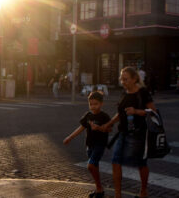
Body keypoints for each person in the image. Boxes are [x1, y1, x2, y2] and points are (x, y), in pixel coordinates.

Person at [99, 66, 156, 198]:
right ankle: (117, 194)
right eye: (121, 79)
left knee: (141, 163)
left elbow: (153, 112)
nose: (122, 82)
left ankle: (143, 192)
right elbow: (120, 114)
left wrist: (136, 111)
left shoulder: (142, 92)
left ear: (134, 78)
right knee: (115, 161)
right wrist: (108, 124)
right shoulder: (125, 93)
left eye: (125, 79)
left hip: (138, 134)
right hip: (123, 133)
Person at [63, 91, 111, 198]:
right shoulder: (88, 116)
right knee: (94, 167)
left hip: (100, 145)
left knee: (91, 165)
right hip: (89, 145)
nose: (93, 107)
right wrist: (70, 137)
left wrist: (98, 128)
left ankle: (99, 188)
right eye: (91, 104)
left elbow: (109, 129)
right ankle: (99, 189)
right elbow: (81, 128)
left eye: (96, 104)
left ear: (101, 103)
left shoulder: (104, 116)